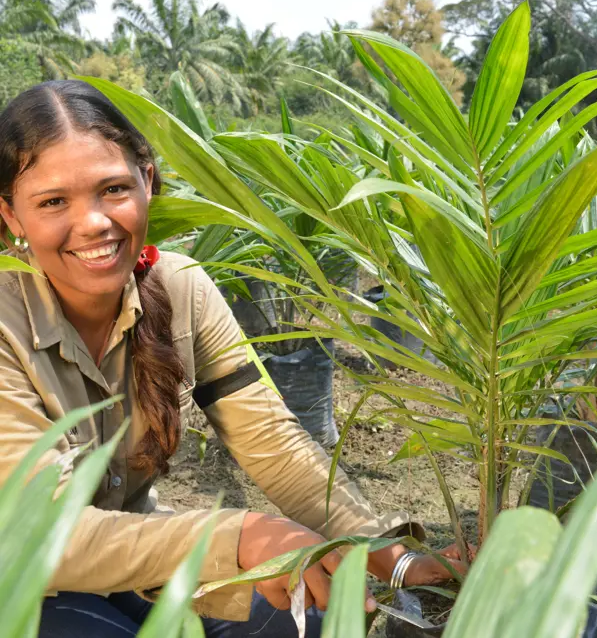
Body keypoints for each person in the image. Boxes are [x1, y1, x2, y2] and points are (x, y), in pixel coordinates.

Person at [0, 80, 467, 638]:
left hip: (134, 561)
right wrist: (237, 536)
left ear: (147, 182)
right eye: (53, 202)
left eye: (114, 189)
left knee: (310, 616)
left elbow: (271, 444)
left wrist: (387, 553)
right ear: (10, 216)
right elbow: (37, 533)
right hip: (23, 576)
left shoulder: (180, 288)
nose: (95, 222)